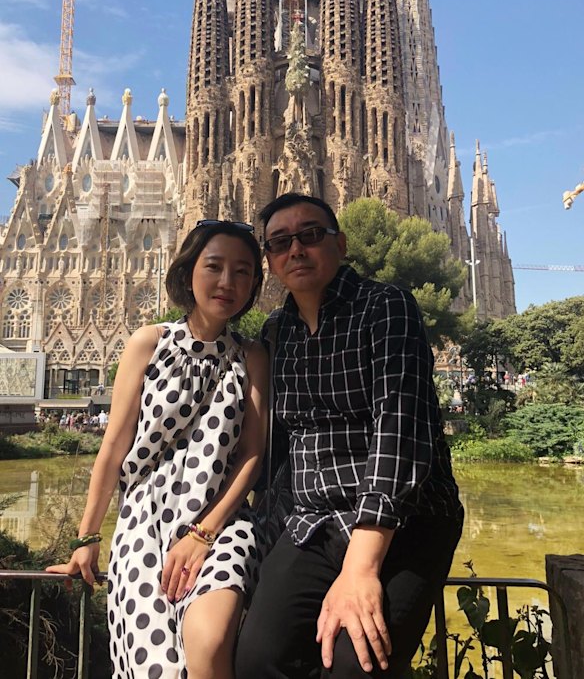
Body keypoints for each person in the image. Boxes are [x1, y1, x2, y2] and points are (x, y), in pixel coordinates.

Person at [236, 193, 464, 679]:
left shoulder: (387, 307)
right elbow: (282, 453)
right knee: (256, 659)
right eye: (280, 242)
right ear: (271, 262)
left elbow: (400, 434)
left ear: (339, 244)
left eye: (310, 235)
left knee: (354, 665)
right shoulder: (280, 331)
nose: (295, 249)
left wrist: (360, 570)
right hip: (314, 524)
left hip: (405, 520)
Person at [47, 220, 269, 679]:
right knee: (158, 669)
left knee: (209, 644)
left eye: (243, 272)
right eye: (214, 266)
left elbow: (251, 453)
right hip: (145, 524)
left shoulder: (252, 356)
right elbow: (113, 448)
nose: (227, 282)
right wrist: (87, 539)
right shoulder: (148, 343)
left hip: (220, 523)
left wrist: (204, 533)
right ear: (189, 271)